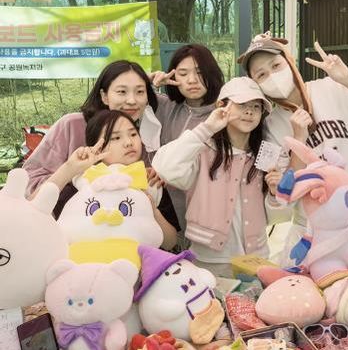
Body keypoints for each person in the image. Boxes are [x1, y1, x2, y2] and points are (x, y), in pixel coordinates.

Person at [239, 33, 348, 220]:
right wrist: (298, 140)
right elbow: (281, 199)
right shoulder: (269, 127)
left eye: (276, 65)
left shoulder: (332, 87)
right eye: (261, 75)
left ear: (290, 62)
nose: (272, 76)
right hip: (318, 229)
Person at [152, 77, 289, 277]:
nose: (250, 112)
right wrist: (207, 128)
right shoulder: (203, 150)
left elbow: (277, 218)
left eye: (256, 106)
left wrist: (275, 194)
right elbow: (165, 167)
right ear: (221, 106)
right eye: (242, 105)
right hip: (210, 262)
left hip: (255, 261)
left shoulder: (265, 155)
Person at [23, 60, 161, 216]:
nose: (132, 100)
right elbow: (30, 179)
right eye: (122, 91)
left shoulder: (148, 133)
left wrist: (154, 177)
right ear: (104, 96)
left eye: (140, 91)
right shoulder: (72, 125)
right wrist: (72, 179)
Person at [43, 110, 177, 250]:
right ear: (98, 148)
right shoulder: (81, 183)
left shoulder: (151, 183)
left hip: (139, 261)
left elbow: (170, 243)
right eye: (116, 138)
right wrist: (68, 169)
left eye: (133, 134)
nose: (129, 143)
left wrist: (153, 210)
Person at [150, 44, 225, 230]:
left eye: (199, 72)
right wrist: (149, 81)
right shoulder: (164, 107)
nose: (192, 80)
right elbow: (128, 93)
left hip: (207, 217)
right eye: (183, 74)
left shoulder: (222, 116)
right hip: (164, 213)